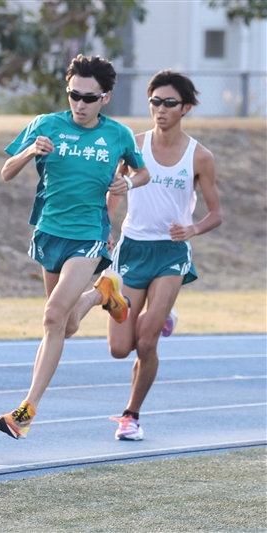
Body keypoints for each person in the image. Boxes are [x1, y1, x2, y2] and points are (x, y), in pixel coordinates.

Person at [0, 54, 150, 440]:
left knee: (50, 317)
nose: (79, 104)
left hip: (89, 235)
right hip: (49, 232)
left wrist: (127, 184)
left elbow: (142, 171)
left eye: (88, 98)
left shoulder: (118, 135)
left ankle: (26, 410)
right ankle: (102, 295)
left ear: (105, 98)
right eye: (73, 95)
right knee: (66, 324)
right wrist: (30, 151)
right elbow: (6, 173)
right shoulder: (46, 124)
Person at [105, 70, 222, 440]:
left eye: (169, 103)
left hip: (171, 253)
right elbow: (115, 190)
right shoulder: (133, 145)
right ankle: (163, 310)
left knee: (146, 341)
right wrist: (107, 228)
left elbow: (216, 214)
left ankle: (131, 416)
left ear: (185, 108)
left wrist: (192, 229)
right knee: (120, 348)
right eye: (155, 101)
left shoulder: (199, 156)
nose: (160, 108)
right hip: (131, 249)